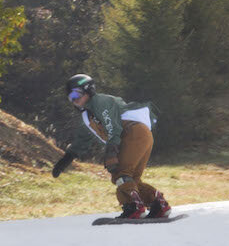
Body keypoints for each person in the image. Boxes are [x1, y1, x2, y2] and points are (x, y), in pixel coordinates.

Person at [52, 74, 171, 219]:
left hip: (133, 132)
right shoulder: (87, 115)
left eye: (76, 94)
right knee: (131, 179)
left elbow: (113, 127)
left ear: (88, 91)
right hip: (139, 136)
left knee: (120, 174)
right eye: (70, 97)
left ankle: (133, 207)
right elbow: (82, 140)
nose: (74, 99)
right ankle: (158, 204)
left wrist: (111, 151)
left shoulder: (100, 102)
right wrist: (67, 158)